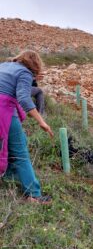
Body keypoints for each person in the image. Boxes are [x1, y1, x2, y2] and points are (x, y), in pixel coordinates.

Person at [0, 50, 53, 204]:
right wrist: (41, 121)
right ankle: (34, 195)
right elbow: (23, 97)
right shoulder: (24, 73)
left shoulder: (5, 65)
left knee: (17, 141)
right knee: (20, 152)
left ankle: (9, 174)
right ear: (36, 64)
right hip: (4, 110)